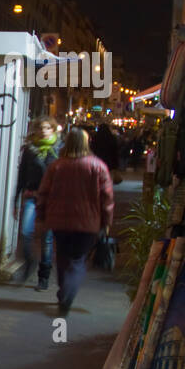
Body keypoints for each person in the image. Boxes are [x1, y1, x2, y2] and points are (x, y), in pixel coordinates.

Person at [36, 127, 114, 316]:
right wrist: (107, 221)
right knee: (78, 260)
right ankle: (67, 295)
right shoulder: (98, 166)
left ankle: (63, 292)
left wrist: (42, 215)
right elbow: (107, 198)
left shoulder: (57, 166)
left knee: (62, 257)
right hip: (88, 223)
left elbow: (43, 193)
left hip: (59, 222)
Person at [13, 117, 61, 291]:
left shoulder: (59, 149)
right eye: (41, 128)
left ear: (53, 130)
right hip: (32, 195)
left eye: (47, 128)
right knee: (26, 232)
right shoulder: (30, 150)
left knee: (47, 239)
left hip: (51, 198)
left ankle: (44, 276)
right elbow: (22, 175)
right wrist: (16, 199)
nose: (43, 131)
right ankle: (29, 262)